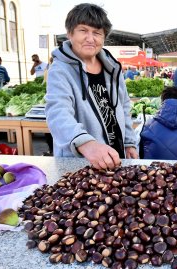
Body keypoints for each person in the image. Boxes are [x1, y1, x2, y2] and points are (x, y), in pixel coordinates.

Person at [45, 3, 138, 170]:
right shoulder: (60, 70)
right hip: (80, 163)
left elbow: (124, 108)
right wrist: (86, 143)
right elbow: (57, 112)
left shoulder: (112, 68)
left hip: (115, 158)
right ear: (70, 33)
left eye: (97, 33)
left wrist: (129, 142)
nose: (90, 38)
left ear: (103, 37)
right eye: (83, 30)